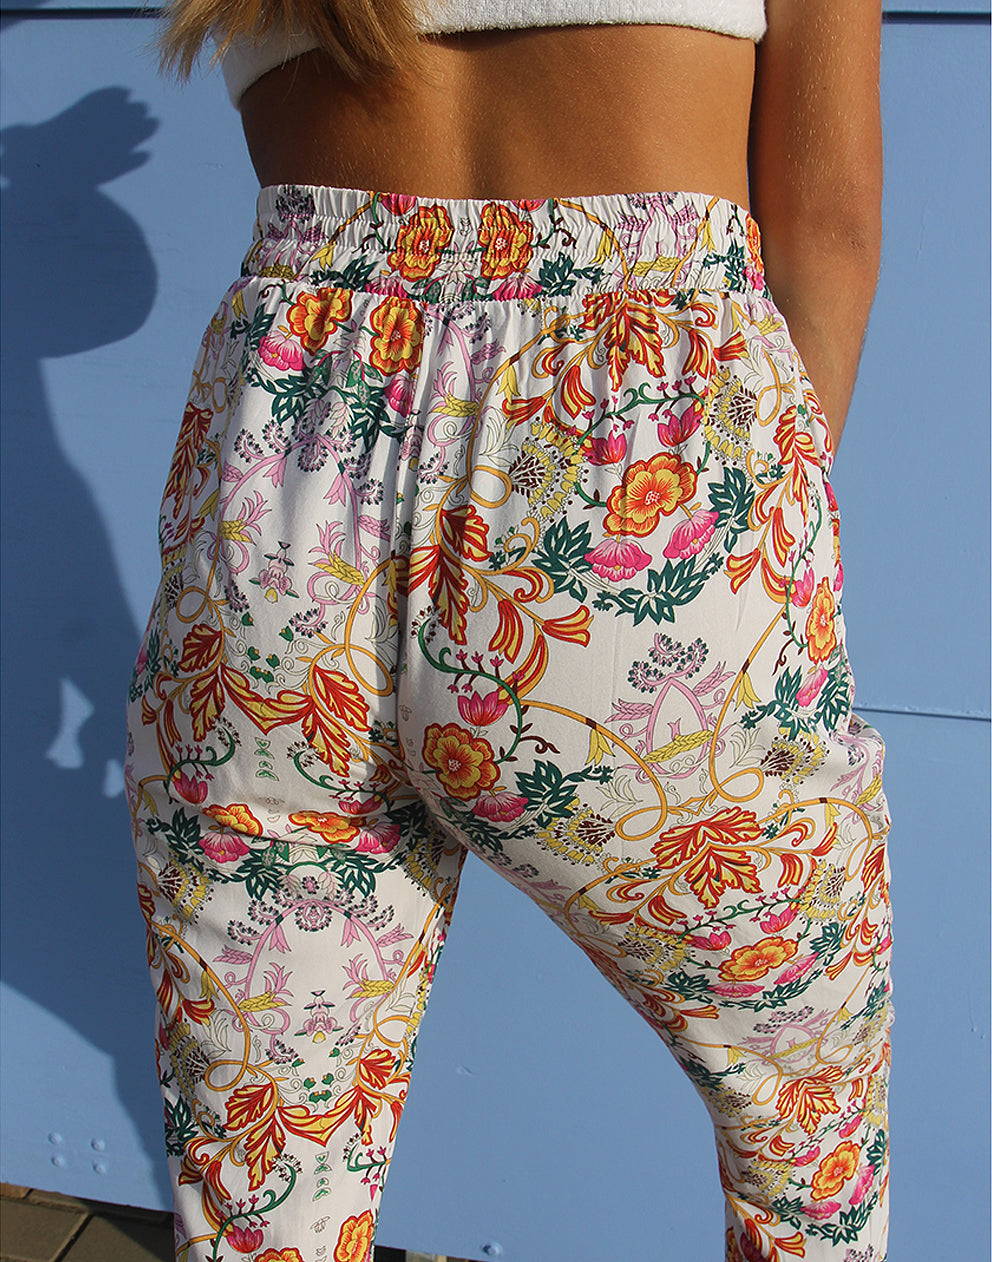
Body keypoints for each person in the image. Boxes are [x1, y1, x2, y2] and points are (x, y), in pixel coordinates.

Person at [125, 2, 892, 1259]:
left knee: (269, 1190)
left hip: (279, 493)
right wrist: (747, 528)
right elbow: (828, 223)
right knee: (804, 1148)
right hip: (635, 493)